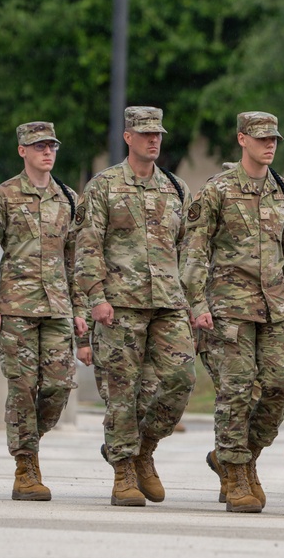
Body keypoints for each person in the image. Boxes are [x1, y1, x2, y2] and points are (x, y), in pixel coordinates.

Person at [181, 111, 284, 513]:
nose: (269, 144)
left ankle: (239, 454)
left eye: (274, 138)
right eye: (261, 138)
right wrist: (197, 303)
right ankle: (236, 473)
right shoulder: (217, 190)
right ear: (242, 140)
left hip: (275, 308)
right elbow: (195, 251)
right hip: (229, 309)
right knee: (236, 391)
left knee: (282, 388)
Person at [74, 106, 195, 507]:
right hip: (119, 305)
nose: (153, 140)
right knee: (122, 392)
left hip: (168, 302)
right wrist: (96, 298)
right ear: (128, 138)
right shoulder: (103, 186)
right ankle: (124, 471)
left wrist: (194, 300)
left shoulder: (176, 189)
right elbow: (87, 245)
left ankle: (144, 449)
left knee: (180, 379)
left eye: (158, 133)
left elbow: (189, 251)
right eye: (145, 134)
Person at [0, 122, 85, 502]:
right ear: (22, 150)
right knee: (22, 389)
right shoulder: (3, 196)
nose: (47, 152)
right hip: (16, 308)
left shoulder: (69, 198)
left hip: (57, 308)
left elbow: (75, 260)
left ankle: (28, 437)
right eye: (39, 146)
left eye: (51, 145)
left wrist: (79, 308)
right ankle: (26, 465)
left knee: (57, 386)